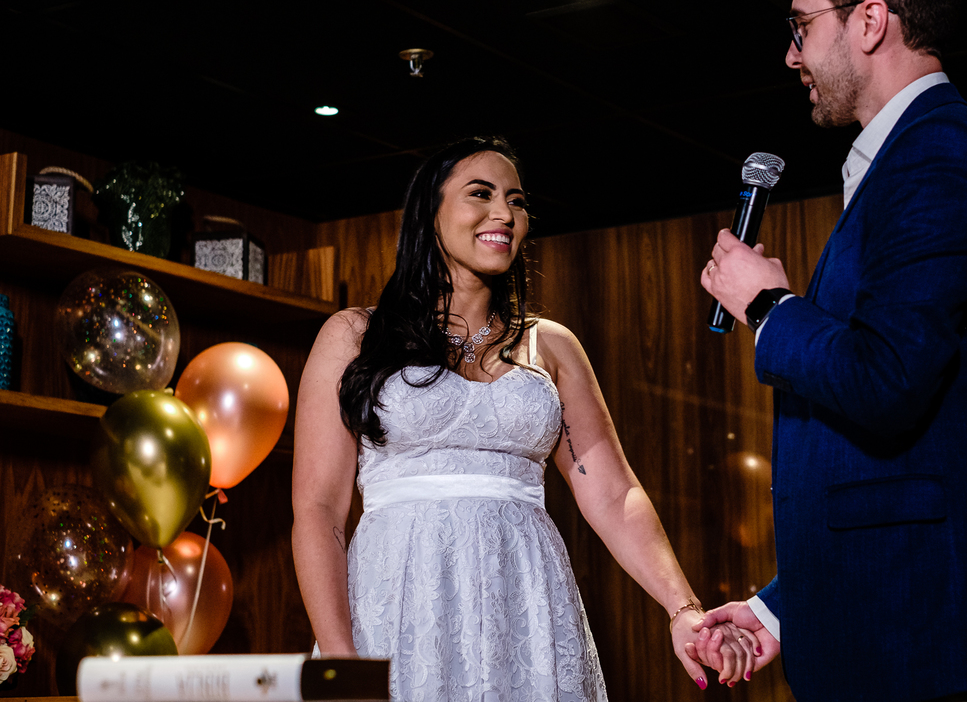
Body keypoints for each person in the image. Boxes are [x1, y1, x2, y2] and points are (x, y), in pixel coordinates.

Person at [691, 0, 967, 701]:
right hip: (897, 624)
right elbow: (911, 453)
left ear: (869, 21)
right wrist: (780, 609)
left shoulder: (939, 154)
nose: (791, 53)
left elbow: (885, 379)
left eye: (801, 26)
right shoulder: (910, 157)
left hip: (927, 642)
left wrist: (769, 305)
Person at [291, 136, 752, 701]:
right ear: (429, 212)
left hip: (525, 604)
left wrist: (683, 608)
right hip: (398, 604)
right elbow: (318, 511)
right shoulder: (355, 336)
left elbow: (614, 494)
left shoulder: (551, 346)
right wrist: (340, 661)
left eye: (516, 201)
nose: (504, 214)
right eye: (480, 194)